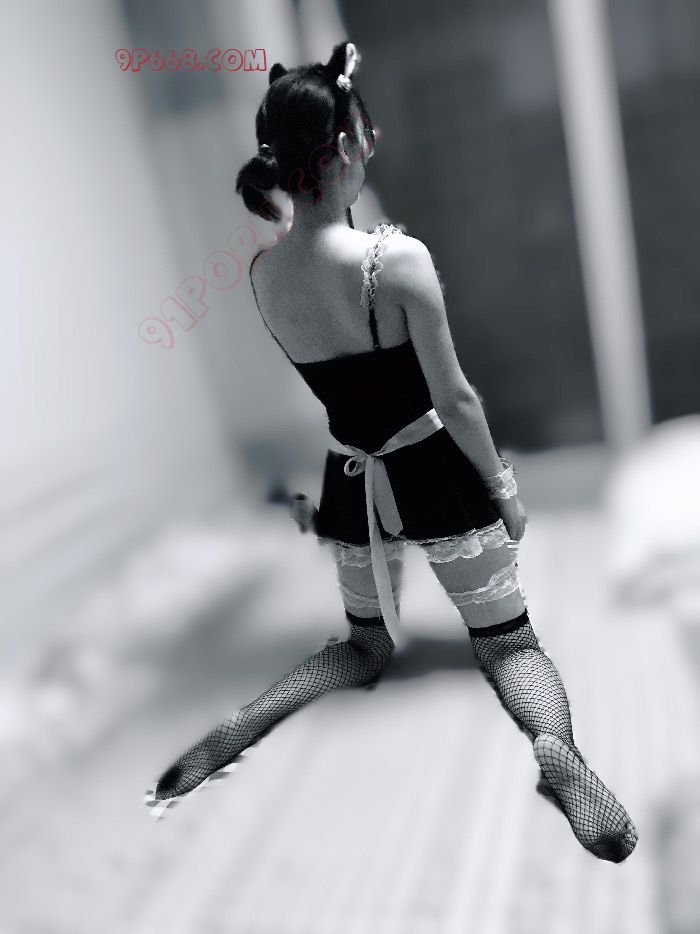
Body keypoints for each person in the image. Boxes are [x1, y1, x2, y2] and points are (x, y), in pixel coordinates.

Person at [146, 41, 638, 863]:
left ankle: (251, 721)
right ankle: (556, 750)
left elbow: (340, 385)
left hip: (351, 480)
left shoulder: (265, 277)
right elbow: (457, 399)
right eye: (364, 135)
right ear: (345, 146)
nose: (370, 148)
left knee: (363, 646)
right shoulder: (396, 262)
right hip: (432, 472)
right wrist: (504, 488)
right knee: (509, 645)